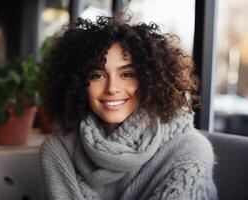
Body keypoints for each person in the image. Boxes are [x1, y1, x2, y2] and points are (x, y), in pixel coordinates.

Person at [40, 14, 218, 200]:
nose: (112, 88)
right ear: (76, 83)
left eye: (127, 74)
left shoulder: (189, 149)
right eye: (97, 75)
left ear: (150, 79)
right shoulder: (59, 150)